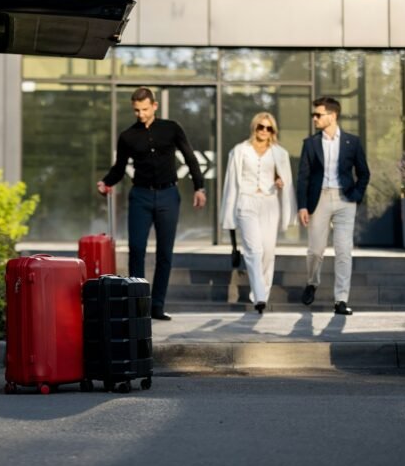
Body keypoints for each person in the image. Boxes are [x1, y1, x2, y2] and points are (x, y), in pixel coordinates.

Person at [97, 87, 206, 321]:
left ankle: (157, 306)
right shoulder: (128, 136)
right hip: (140, 196)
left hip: (168, 195)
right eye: (136, 110)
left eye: (145, 109)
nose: (141, 114)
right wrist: (105, 182)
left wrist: (199, 187)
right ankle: (138, 306)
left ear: (154, 106)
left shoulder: (171, 128)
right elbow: (119, 167)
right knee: (137, 250)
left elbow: (189, 157)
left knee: (164, 253)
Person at [296, 96, 370, 315]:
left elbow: (364, 173)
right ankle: (312, 282)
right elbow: (303, 177)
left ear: (333, 115)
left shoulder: (352, 142)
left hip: (345, 200)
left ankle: (341, 300)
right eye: (314, 115)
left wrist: (356, 195)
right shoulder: (310, 143)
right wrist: (302, 206)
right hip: (319, 200)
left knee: (344, 250)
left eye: (318, 114)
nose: (315, 118)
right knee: (315, 250)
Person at [218, 112, 296, 314]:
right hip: (247, 202)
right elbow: (231, 182)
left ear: (273, 131)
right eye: (260, 126)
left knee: (268, 252)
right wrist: (228, 211)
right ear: (254, 128)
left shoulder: (279, 153)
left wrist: (280, 181)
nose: (264, 131)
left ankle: (261, 293)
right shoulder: (240, 151)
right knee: (254, 250)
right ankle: (260, 296)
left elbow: (285, 181)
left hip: (270, 204)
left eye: (268, 128)